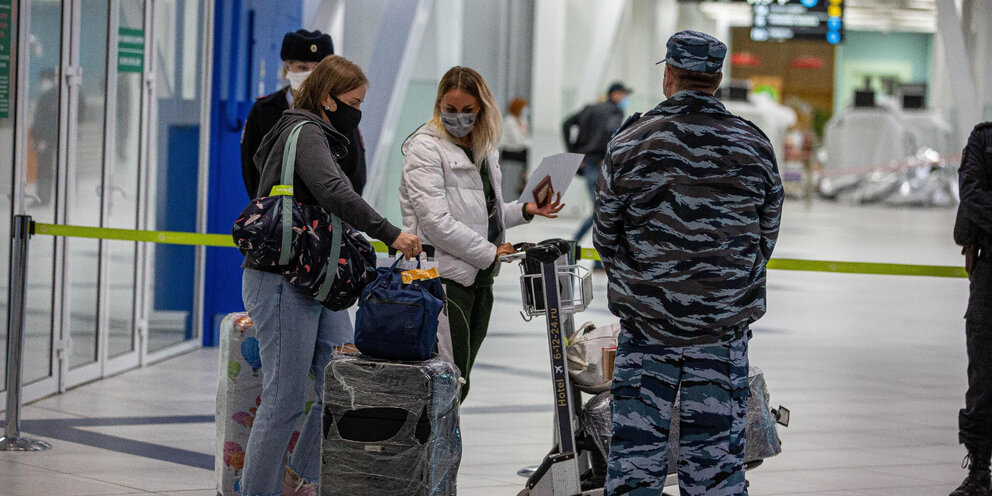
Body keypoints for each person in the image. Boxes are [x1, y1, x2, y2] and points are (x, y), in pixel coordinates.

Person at [593, 30, 783, 495]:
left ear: (669, 76)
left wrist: (645, 282)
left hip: (647, 331)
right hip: (720, 333)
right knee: (715, 464)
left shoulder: (631, 141)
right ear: (717, 79)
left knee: (636, 460)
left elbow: (605, 236)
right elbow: (766, 235)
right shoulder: (753, 144)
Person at [240, 55, 421, 496]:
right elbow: (334, 192)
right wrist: (390, 233)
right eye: (354, 102)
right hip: (282, 279)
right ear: (326, 98)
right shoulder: (304, 131)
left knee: (340, 385)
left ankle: (295, 477)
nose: (357, 110)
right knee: (283, 400)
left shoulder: (316, 134)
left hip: (314, 280)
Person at [399, 66, 564, 402]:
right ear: (439, 105)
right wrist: (491, 252)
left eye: (467, 110)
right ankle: (438, 439)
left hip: (479, 279)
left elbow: (484, 214)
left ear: (482, 108)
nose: (458, 117)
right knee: (446, 382)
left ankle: (446, 438)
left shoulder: (484, 148)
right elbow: (436, 222)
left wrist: (525, 209)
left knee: (460, 380)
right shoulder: (425, 149)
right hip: (440, 279)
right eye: (450, 109)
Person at [241, 29, 368, 199]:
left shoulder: (339, 110)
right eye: (302, 67)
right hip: (277, 208)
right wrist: (266, 206)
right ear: (288, 66)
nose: (310, 75)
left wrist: (342, 211)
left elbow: (355, 171)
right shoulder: (264, 110)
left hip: (327, 210)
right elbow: (251, 167)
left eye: (318, 69)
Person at [951, 121, 992, 496]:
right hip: (989, 275)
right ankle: (980, 469)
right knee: (983, 377)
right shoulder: (984, 138)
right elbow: (972, 193)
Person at [562, 81, 631, 245]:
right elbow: (610, 135)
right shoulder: (615, 112)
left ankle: (577, 244)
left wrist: (574, 152)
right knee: (602, 210)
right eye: (623, 95)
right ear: (614, 94)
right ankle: (574, 243)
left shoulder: (590, 109)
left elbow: (566, 124)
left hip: (587, 164)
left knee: (602, 209)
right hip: (600, 165)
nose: (624, 99)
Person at [499, 97, 530, 201]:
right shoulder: (510, 121)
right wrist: (528, 143)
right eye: (524, 107)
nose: (525, 110)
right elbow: (518, 140)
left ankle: (524, 180)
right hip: (508, 151)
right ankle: (524, 181)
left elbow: (524, 137)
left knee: (528, 154)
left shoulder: (521, 120)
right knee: (527, 155)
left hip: (518, 150)